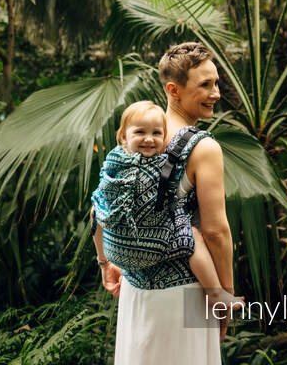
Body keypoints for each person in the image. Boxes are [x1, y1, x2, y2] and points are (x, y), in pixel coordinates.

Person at [92, 42, 240, 365]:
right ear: (174, 89)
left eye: (216, 83)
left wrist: (107, 262)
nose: (216, 93)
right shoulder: (203, 147)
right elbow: (215, 232)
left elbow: (99, 208)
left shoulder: (135, 136)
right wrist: (223, 294)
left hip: (135, 289)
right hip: (185, 293)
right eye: (205, 85)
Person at [91, 100, 244, 310]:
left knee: (96, 209)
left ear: (164, 139)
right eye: (140, 132)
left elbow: (95, 212)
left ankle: (106, 259)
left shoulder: (113, 162)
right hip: (155, 250)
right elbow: (212, 231)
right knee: (194, 238)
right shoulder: (164, 164)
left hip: (121, 259)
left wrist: (104, 261)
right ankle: (216, 293)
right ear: (124, 136)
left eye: (156, 133)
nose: (148, 139)